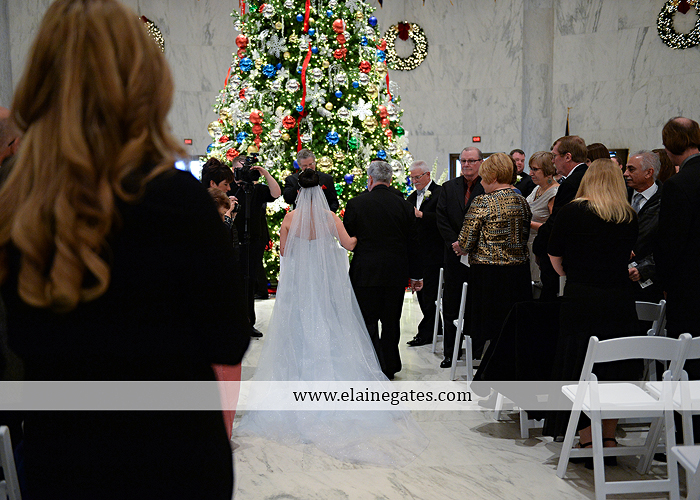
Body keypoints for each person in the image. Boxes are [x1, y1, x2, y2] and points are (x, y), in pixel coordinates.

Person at [0, 1, 250, 498]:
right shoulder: (176, 200)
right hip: (174, 457)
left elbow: (21, 345)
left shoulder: (19, 204)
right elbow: (227, 340)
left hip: (64, 459)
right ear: (143, 81)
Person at [236, 168, 428, 466]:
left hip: (300, 286)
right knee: (328, 326)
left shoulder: (290, 219)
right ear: (321, 191)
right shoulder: (329, 218)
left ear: (300, 192)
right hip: (325, 284)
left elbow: (284, 252)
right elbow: (349, 244)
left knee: (297, 329)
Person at [544, 159, 640, 459]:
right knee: (615, 367)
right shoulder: (628, 215)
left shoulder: (571, 212)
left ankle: (587, 439)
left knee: (581, 364)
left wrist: (572, 273)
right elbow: (628, 254)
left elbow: (554, 255)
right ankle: (608, 437)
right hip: (619, 299)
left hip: (582, 297)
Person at [344, 160, 422, 380]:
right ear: (390, 180)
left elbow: (349, 237)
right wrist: (416, 275)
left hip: (365, 271)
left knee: (367, 321)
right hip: (395, 272)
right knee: (391, 321)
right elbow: (413, 243)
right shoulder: (404, 206)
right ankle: (389, 365)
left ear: (370, 179)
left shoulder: (356, 204)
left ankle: (370, 364)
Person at [457, 152, 532, 357]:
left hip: (489, 275)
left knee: (490, 328)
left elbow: (465, 241)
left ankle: (490, 370)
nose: (481, 182)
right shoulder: (522, 200)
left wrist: (460, 246)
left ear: (494, 176)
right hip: (519, 274)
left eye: (484, 177)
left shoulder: (483, 201)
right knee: (512, 329)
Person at [436, 147, 485, 368]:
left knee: (476, 303)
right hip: (454, 255)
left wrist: (469, 245)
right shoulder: (449, 187)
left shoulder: (487, 186)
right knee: (451, 304)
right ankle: (450, 353)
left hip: (477, 257)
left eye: (471, 161)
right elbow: (441, 218)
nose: (466, 165)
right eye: (463, 161)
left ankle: (475, 351)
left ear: (480, 162)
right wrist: (456, 243)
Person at [229, 154, 281, 338]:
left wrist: (264, 173)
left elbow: (276, 193)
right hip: (234, 240)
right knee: (235, 282)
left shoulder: (257, 189)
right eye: (241, 168)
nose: (245, 172)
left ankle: (248, 322)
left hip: (255, 241)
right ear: (234, 169)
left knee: (250, 282)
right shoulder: (230, 188)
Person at [532, 135, 588, 301]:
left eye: (555, 156)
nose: (553, 160)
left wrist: (538, 246)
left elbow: (557, 222)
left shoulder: (571, 183)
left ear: (568, 157)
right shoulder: (586, 175)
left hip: (563, 254)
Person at [406, 161, 443, 347]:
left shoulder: (440, 193)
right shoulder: (412, 197)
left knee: (430, 294)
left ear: (428, 175)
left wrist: (422, 215)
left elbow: (444, 219)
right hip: (418, 253)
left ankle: (427, 332)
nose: (414, 181)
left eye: (417, 177)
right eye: (412, 177)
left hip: (435, 252)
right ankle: (435, 327)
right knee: (422, 294)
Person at [624, 151, 663, 303]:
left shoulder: (666, 202)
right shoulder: (620, 196)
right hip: (618, 280)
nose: (625, 174)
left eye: (631, 169)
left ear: (648, 173)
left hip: (650, 284)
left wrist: (645, 269)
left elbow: (669, 244)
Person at [525, 151, 558, 284]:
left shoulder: (554, 193)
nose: (530, 173)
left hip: (541, 247)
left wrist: (527, 223)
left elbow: (554, 227)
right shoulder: (537, 188)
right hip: (529, 245)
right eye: (530, 169)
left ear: (548, 171)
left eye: (535, 169)